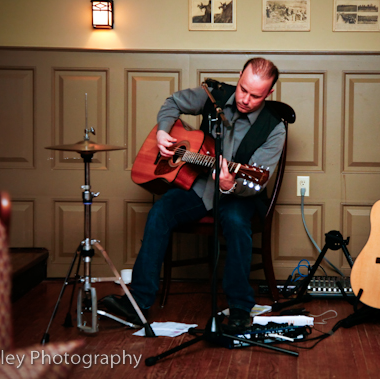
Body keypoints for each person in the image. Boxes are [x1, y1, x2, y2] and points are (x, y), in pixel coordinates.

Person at [102, 57, 285, 330]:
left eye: (255, 95)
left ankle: (239, 307)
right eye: (243, 89)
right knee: (161, 212)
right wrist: (164, 132)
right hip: (199, 187)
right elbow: (172, 103)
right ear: (239, 77)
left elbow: (255, 182)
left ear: (269, 93)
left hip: (240, 195)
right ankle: (137, 303)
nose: (245, 99)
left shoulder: (274, 128)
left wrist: (229, 185)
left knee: (236, 223)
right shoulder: (214, 96)